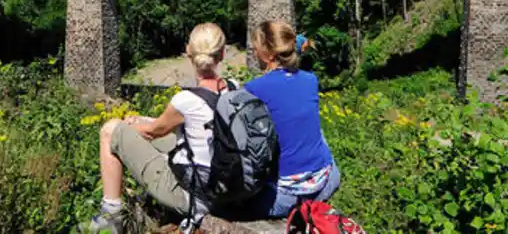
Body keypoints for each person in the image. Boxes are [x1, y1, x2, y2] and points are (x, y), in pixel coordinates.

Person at [86, 23, 234, 234]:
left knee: (110, 130)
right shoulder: (234, 88)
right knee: (135, 127)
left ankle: (110, 217)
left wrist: (129, 125)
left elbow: (151, 132)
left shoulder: (185, 100)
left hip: (193, 198)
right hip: (227, 191)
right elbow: (178, 126)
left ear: (188, 52)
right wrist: (138, 120)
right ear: (223, 53)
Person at [243, 20, 340, 218]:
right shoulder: (311, 79)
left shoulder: (254, 89)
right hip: (327, 182)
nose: (253, 50)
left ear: (269, 54)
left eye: (256, 47)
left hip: (285, 198)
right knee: (314, 130)